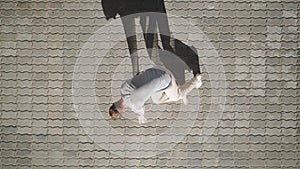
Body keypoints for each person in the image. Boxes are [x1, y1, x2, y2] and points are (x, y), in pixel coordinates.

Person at [108, 67, 202, 124]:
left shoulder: (134, 104)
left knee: (177, 96)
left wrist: (140, 115)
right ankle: (172, 88)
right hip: (155, 70)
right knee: (157, 100)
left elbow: (140, 110)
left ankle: (196, 80)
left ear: (123, 111)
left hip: (164, 78)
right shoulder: (123, 88)